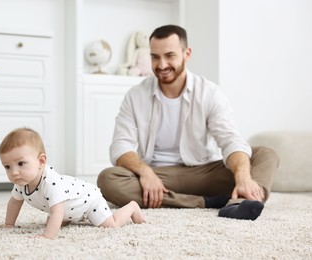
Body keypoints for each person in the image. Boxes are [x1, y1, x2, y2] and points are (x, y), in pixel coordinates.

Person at [97, 25, 280, 221]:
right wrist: (145, 172)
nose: (161, 64)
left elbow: (231, 140)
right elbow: (120, 145)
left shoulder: (209, 93)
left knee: (266, 155)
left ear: (187, 54)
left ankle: (242, 200)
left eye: (170, 55)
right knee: (108, 179)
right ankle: (209, 202)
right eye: (155, 57)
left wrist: (243, 177)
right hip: (158, 176)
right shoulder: (135, 96)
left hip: (203, 173)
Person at [0, 127, 145, 239]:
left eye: (21, 163)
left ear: (41, 161)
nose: (14, 172)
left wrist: (46, 237)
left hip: (89, 201)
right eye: (7, 167)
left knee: (110, 225)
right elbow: (14, 203)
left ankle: (132, 207)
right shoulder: (21, 182)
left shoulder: (50, 183)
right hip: (69, 207)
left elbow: (58, 211)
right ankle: (68, 219)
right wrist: (9, 224)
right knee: (56, 219)